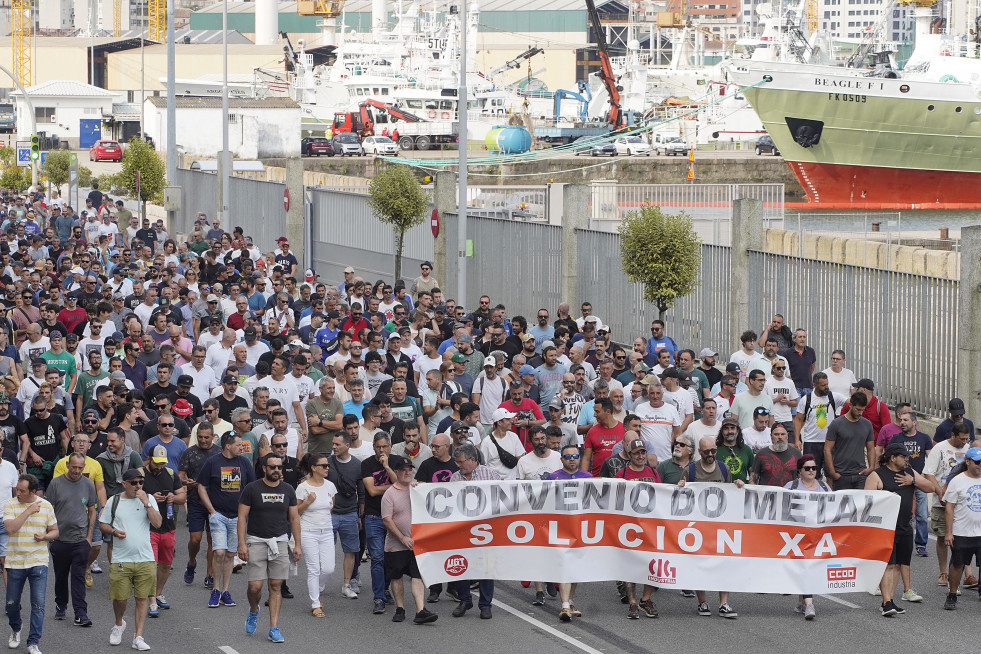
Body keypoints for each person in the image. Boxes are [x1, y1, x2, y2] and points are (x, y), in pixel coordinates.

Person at [864, 443, 934, 617]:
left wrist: (914, 481)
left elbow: (930, 487)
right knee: (888, 565)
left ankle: (890, 600)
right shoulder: (877, 475)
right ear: (893, 457)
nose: (907, 460)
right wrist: (884, 497)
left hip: (905, 526)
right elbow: (866, 501)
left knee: (898, 565)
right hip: (885, 527)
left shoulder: (909, 472)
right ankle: (886, 602)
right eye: (904, 457)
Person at [238, 452, 301, 643]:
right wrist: (241, 543)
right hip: (256, 540)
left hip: (280, 542)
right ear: (264, 468)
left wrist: (297, 544)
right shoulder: (252, 488)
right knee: (255, 587)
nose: (276, 470)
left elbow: (294, 518)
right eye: (272, 467)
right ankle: (254, 610)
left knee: (275, 586)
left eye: (279, 467)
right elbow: (242, 517)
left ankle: (274, 627)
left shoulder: (288, 489)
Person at [679, 435, 743, 619]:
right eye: (706, 451)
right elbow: (679, 498)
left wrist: (737, 485)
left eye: (713, 450)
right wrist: (680, 487)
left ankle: (723, 603)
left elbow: (731, 494)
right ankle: (702, 602)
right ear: (699, 452)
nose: (710, 454)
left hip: (720, 526)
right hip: (697, 527)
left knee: (725, 563)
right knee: (699, 564)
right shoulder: (690, 470)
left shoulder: (724, 468)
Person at [99, 468, 161, 651]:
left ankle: (138, 636)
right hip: (121, 558)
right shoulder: (114, 500)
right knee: (120, 598)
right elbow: (103, 524)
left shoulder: (148, 499)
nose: (138, 486)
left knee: (142, 598)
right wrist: (114, 531)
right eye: (133, 483)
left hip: (145, 558)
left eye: (140, 482)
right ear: (124, 484)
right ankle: (119, 624)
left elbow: (157, 523)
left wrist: (147, 503)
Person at [196, 433, 256, 608]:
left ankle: (225, 591)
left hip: (238, 517)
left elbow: (252, 487)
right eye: (238, 445)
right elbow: (201, 486)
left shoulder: (244, 463)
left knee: (230, 554)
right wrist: (211, 511)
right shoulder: (213, 462)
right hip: (219, 515)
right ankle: (215, 589)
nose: (242, 448)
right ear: (228, 446)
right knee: (219, 552)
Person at [381, 454, 438, 625]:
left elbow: (433, 495)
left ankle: (420, 610)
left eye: (409, 470)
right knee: (396, 576)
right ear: (396, 472)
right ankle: (400, 608)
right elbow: (387, 519)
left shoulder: (418, 489)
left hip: (417, 542)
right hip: (396, 544)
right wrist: (402, 537)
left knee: (417, 575)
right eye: (403, 470)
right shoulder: (389, 494)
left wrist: (421, 486)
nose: (407, 473)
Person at [4, 473, 57, 654]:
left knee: (38, 604)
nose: (17, 493)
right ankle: (16, 628)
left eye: (22, 491)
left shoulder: (47, 506)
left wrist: (45, 536)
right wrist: (27, 510)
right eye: (17, 489)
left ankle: (33, 642)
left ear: (33, 491)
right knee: (11, 604)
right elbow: (10, 529)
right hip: (15, 561)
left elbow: (55, 531)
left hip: (38, 561)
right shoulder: (10, 504)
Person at [46, 452, 99, 627]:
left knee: (78, 576)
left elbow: (92, 510)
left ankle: (80, 613)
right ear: (68, 465)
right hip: (60, 540)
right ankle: (61, 605)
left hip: (80, 541)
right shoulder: (56, 483)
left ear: (84, 467)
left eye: (80, 467)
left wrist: (89, 537)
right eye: (74, 467)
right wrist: (50, 537)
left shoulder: (88, 484)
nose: (76, 470)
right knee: (61, 576)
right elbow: (48, 510)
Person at [449, 443, 501, 619]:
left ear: (472, 459)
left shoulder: (491, 474)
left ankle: (485, 605)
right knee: (461, 565)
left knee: (486, 566)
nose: (459, 465)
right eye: (457, 462)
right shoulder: (454, 479)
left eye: (461, 462)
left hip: (486, 529)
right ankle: (465, 599)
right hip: (463, 530)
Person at [924, 423, 974, 589]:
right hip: (942, 501)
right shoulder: (939, 449)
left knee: (966, 537)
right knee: (943, 536)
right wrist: (939, 492)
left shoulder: (968, 448)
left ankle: (968, 575)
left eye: (967, 439)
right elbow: (929, 473)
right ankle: (943, 572)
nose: (965, 442)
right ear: (953, 435)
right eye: (962, 439)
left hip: (963, 502)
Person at [141, 445, 186, 618]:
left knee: (166, 564)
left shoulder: (170, 474)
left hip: (168, 526)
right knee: (151, 565)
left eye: (162, 463)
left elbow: (182, 496)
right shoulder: (141, 474)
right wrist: (150, 498)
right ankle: (151, 600)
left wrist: (173, 498)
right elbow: (131, 494)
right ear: (149, 459)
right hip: (148, 526)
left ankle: (158, 592)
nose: (159, 467)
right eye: (156, 463)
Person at [177, 422, 220, 589]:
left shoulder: (218, 453)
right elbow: (180, 475)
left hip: (215, 503)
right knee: (195, 539)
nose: (202, 440)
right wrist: (185, 481)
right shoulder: (189, 452)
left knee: (212, 540)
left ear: (213, 436)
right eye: (200, 437)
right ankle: (192, 561)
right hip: (194, 501)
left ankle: (209, 574)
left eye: (206, 437)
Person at [295, 453, 337, 618]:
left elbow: (331, 506)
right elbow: (295, 511)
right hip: (308, 532)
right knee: (313, 569)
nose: (327, 468)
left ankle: (317, 589)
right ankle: (315, 603)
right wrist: (307, 502)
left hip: (326, 531)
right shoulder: (303, 487)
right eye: (323, 466)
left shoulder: (330, 486)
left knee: (328, 568)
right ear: (313, 468)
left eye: (327, 466)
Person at [887, 411, 933, 558]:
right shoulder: (896, 438)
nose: (902, 422)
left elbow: (930, 459)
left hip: (917, 480)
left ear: (914, 422)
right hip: (900, 480)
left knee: (922, 515)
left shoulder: (924, 438)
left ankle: (921, 544)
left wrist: (925, 476)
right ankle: (895, 542)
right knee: (900, 513)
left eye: (906, 420)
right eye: (901, 420)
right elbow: (889, 457)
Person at [942, 446, 981, 610]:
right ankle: (952, 594)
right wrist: (949, 532)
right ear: (968, 462)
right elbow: (949, 507)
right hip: (961, 531)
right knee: (957, 564)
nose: (980, 465)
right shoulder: (957, 481)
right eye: (978, 462)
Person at [327, 431, 366, 600]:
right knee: (326, 551)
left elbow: (362, 492)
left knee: (350, 551)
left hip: (350, 513)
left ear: (347, 446)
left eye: (337, 444)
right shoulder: (326, 463)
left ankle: (346, 584)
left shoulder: (357, 465)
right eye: (333, 444)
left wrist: (359, 515)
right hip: (329, 514)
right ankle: (320, 581)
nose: (333, 447)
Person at [362, 433, 396, 614]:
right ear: (373, 447)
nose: (381, 450)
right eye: (378, 447)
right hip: (374, 516)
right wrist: (393, 487)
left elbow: (402, 484)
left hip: (395, 517)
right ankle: (379, 597)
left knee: (390, 558)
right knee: (377, 558)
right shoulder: (367, 464)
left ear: (390, 446)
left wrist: (388, 467)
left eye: (384, 447)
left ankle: (385, 588)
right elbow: (372, 490)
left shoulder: (397, 462)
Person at [824, 392, 875, 490]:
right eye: (858, 409)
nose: (860, 413)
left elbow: (871, 448)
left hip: (860, 474)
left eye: (863, 410)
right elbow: (827, 449)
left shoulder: (867, 424)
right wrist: (833, 473)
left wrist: (871, 467)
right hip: (841, 474)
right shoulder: (836, 424)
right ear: (850, 405)